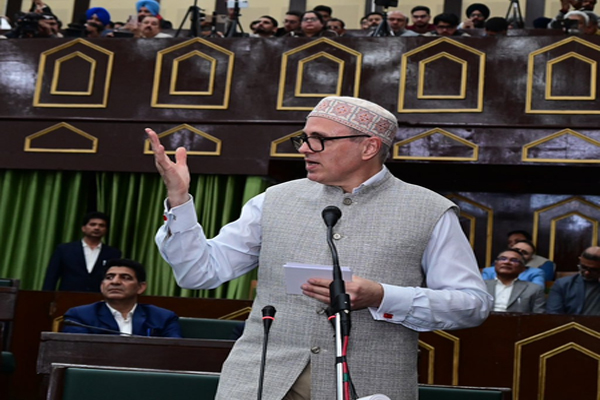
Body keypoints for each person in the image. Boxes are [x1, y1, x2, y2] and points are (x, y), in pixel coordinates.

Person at [146, 95, 492, 400]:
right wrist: (179, 200)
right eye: (304, 138)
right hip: (260, 381)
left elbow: (472, 304)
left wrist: (382, 296)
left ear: (369, 147)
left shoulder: (430, 211)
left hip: (366, 384)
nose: (304, 148)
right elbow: (199, 273)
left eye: (319, 139)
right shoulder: (274, 200)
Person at [63, 259, 182, 337]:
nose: (115, 282)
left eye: (125, 277)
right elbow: (77, 352)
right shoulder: (80, 316)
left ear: (141, 287)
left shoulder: (163, 317)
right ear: (102, 286)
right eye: (109, 277)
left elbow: (174, 351)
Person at [43, 211, 122, 292]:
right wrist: (46, 296)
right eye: (92, 224)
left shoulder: (113, 253)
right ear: (83, 228)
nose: (97, 228)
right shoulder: (65, 249)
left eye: (101, 225)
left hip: (99, 296)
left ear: (106, 230)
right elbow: (51, 276)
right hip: (68, 295)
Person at [547, 246, 600, 315]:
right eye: (583, 267)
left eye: (594, 270)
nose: (587, 272)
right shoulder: (563, 284)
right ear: (580, 260)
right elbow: (553, 314)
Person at [481, 241, 546, 287]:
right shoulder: (488, 271)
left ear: (530, 258)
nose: (518, 253)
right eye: (516, 250)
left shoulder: (535, 273)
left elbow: (536, 291)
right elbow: (483, 290)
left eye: (524, 252)